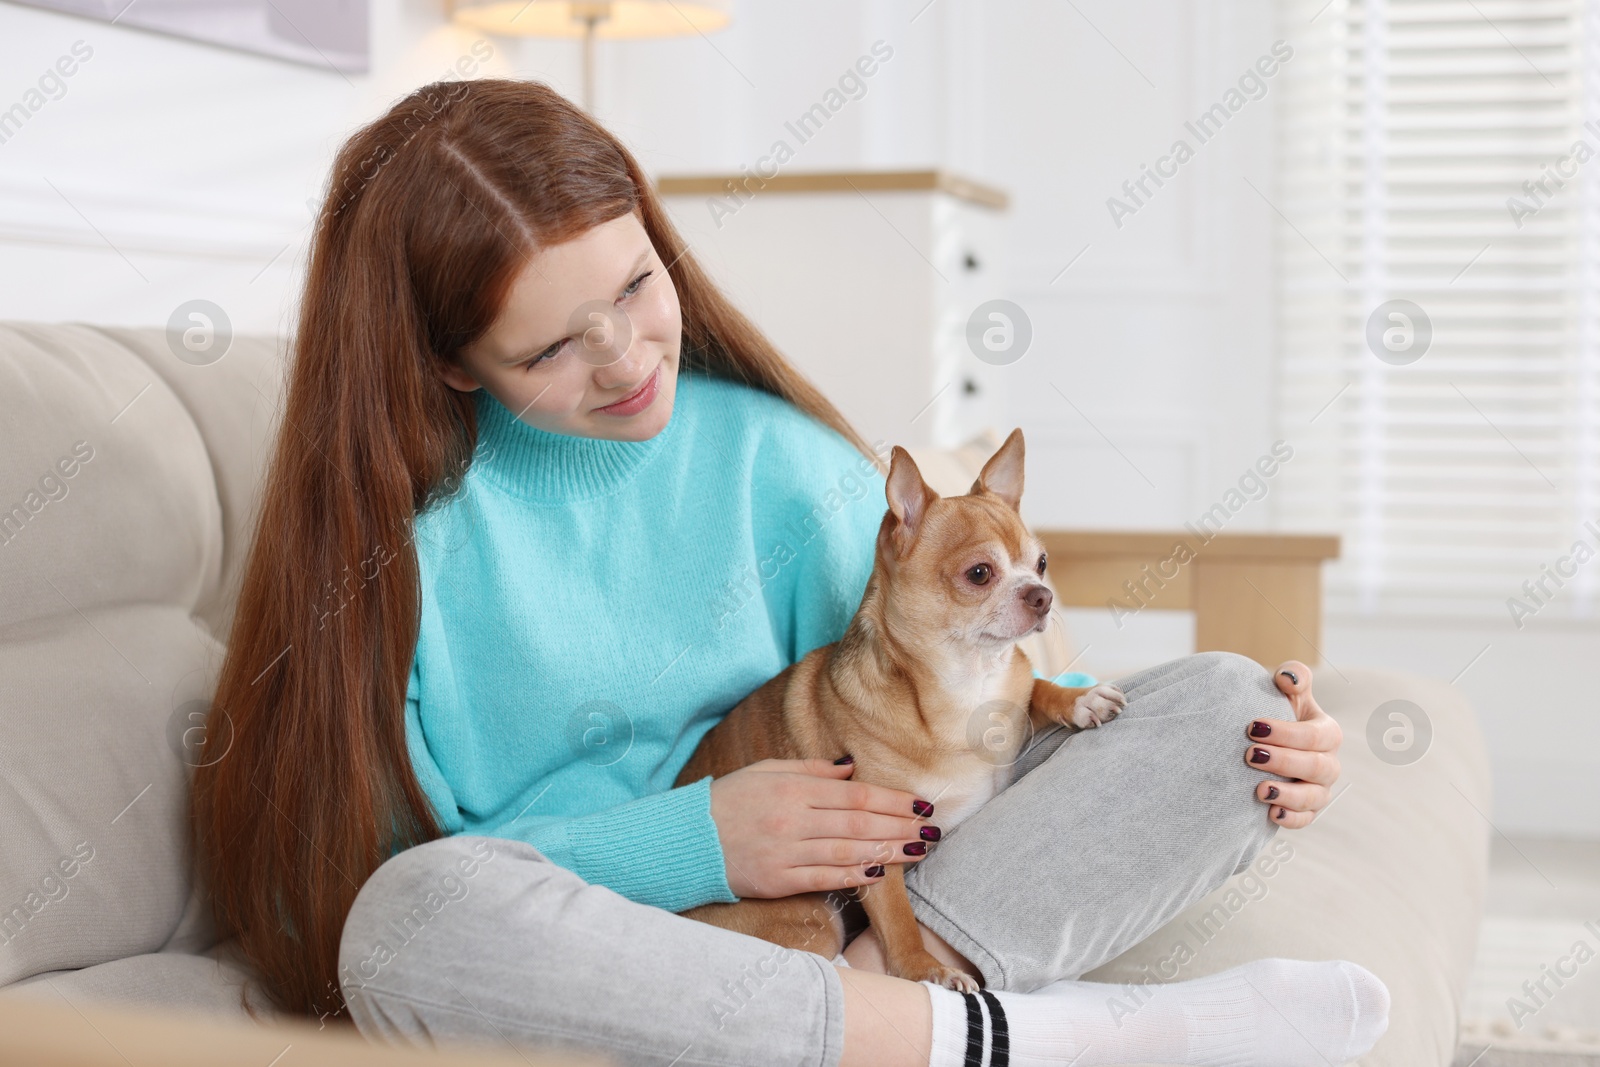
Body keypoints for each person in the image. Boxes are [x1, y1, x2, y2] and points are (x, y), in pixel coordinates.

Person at [188, 77, 1389, 1067]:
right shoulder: (396, 553)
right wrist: (695, 838)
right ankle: (1025, 1038)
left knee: (1223, 705)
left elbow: (1018, 710)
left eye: (635, 287)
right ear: (448, 364)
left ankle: (890, 1026)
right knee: (406, 921)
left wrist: (1268, 754)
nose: (623, 361)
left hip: (853, 935)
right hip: (603, 957)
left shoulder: (783, 465)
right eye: (553, 345)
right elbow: (339, 898)